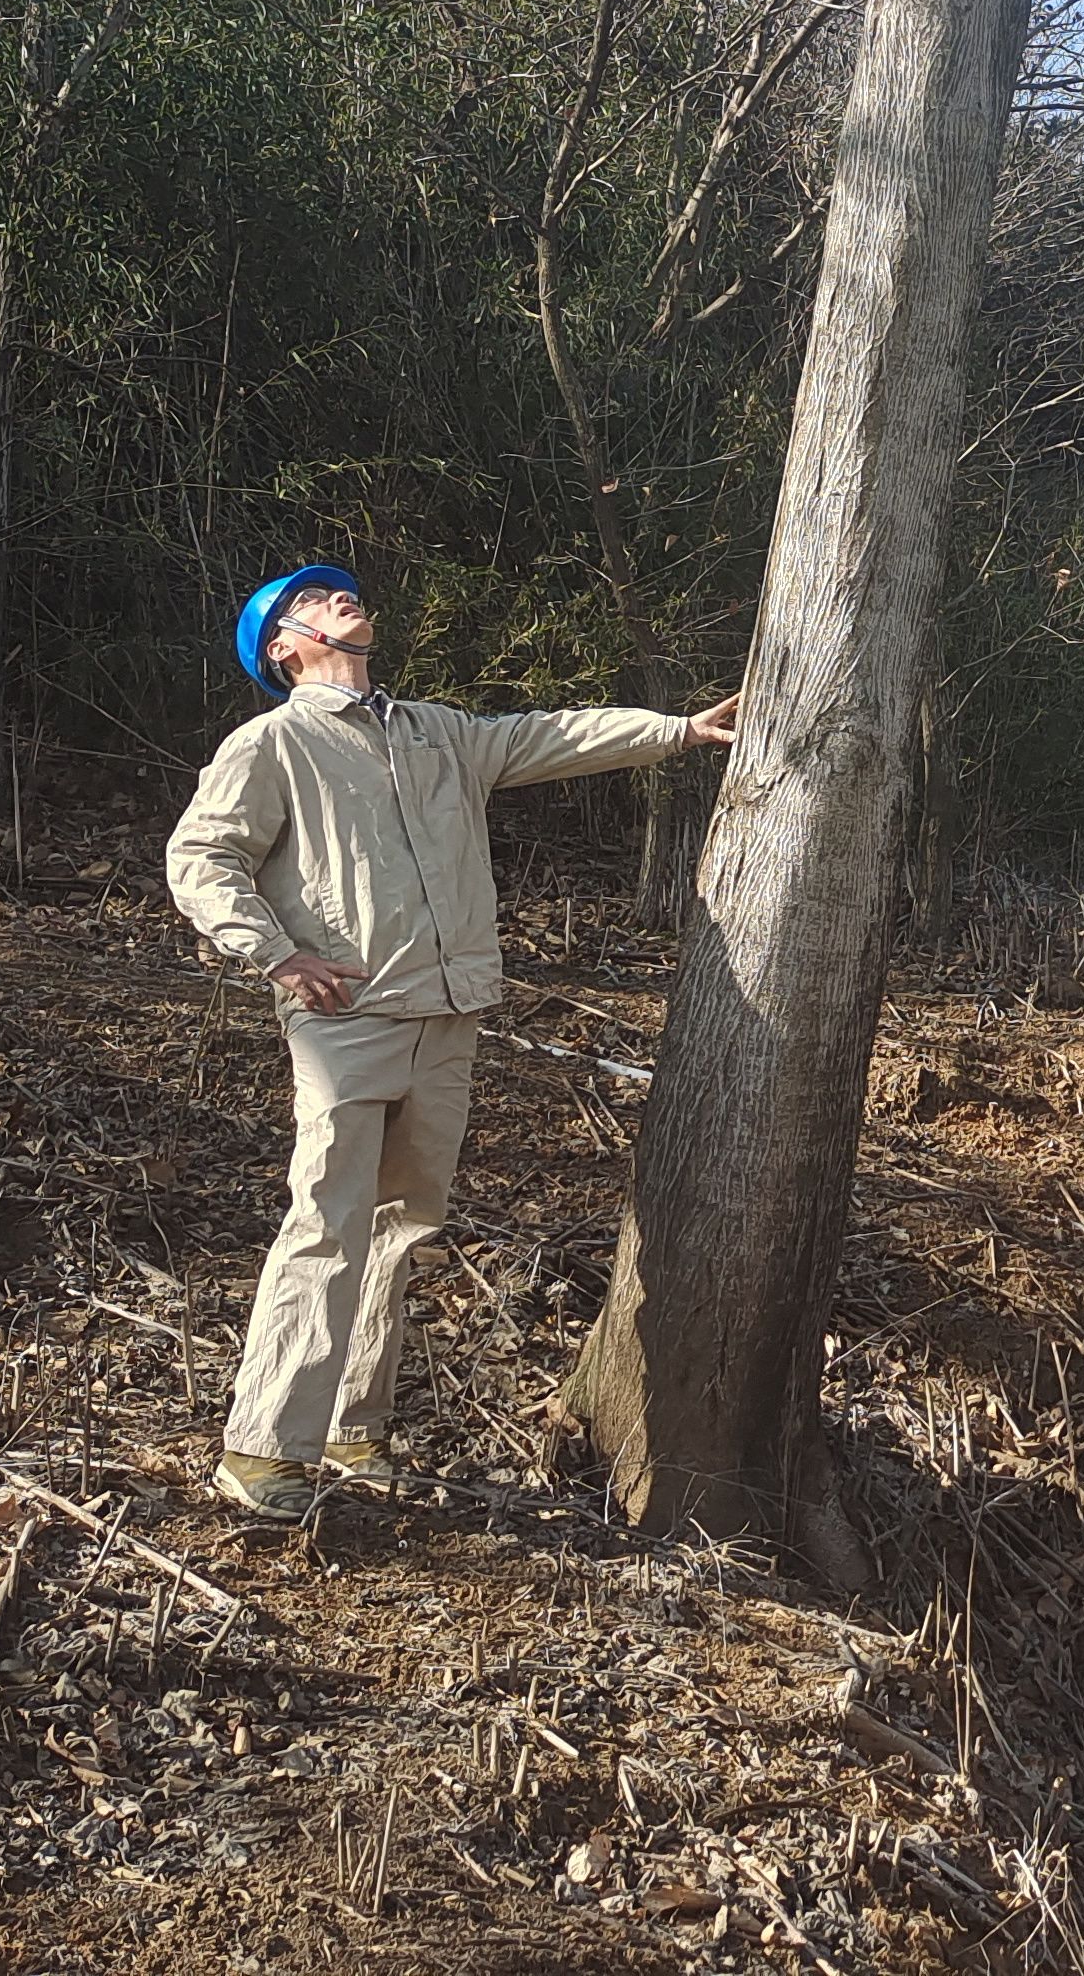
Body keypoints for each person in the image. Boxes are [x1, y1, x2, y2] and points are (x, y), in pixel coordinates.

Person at [165, 562, 736, 1522]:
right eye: (314, 600)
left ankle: (354, 1428)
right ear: (283, 646)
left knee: (402, 1230)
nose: (342, 599)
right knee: (327, 1223)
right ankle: (262, 1447)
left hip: (449, 1015)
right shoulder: (270, 744)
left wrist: (679, 731)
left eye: (344, 590)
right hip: (346, 1022)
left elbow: (550, 735)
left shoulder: (436, 731)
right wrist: (274, 955)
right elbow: (200, 856)